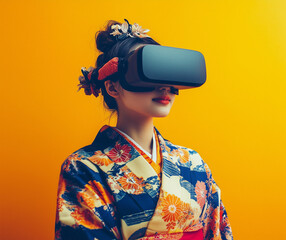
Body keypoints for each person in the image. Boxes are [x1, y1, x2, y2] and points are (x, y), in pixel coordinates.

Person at [54, 19, 233, 240]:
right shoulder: (83, 169)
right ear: (112, 87)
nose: (164, 87)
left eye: (167, 75)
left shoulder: (193, 163)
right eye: (148, 73)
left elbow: (217, 231)